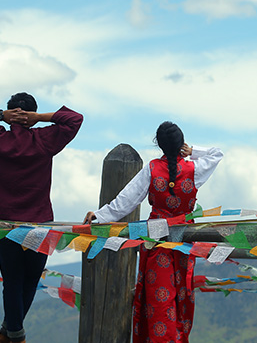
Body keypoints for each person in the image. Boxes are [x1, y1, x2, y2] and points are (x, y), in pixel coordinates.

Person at [0, 93, 83, 343]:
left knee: (13, 280)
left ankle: (10, 331)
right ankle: (15, 334)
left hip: (4, 223)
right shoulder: (44, 140)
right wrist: (39, 118)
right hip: (39, 221)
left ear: (9, 115)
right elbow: (74, 119)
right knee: (30, 280)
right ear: (32, 117)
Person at [84, 121, 223, 343]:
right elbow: (217, 154)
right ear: (181, 144)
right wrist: (193, 151)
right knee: (181, 295)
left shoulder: (151, 169)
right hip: (185, 242)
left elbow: (125, 202)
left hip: (156, 240)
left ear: (158, 144)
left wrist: (99, 217)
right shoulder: (194, 170)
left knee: (158, 299)